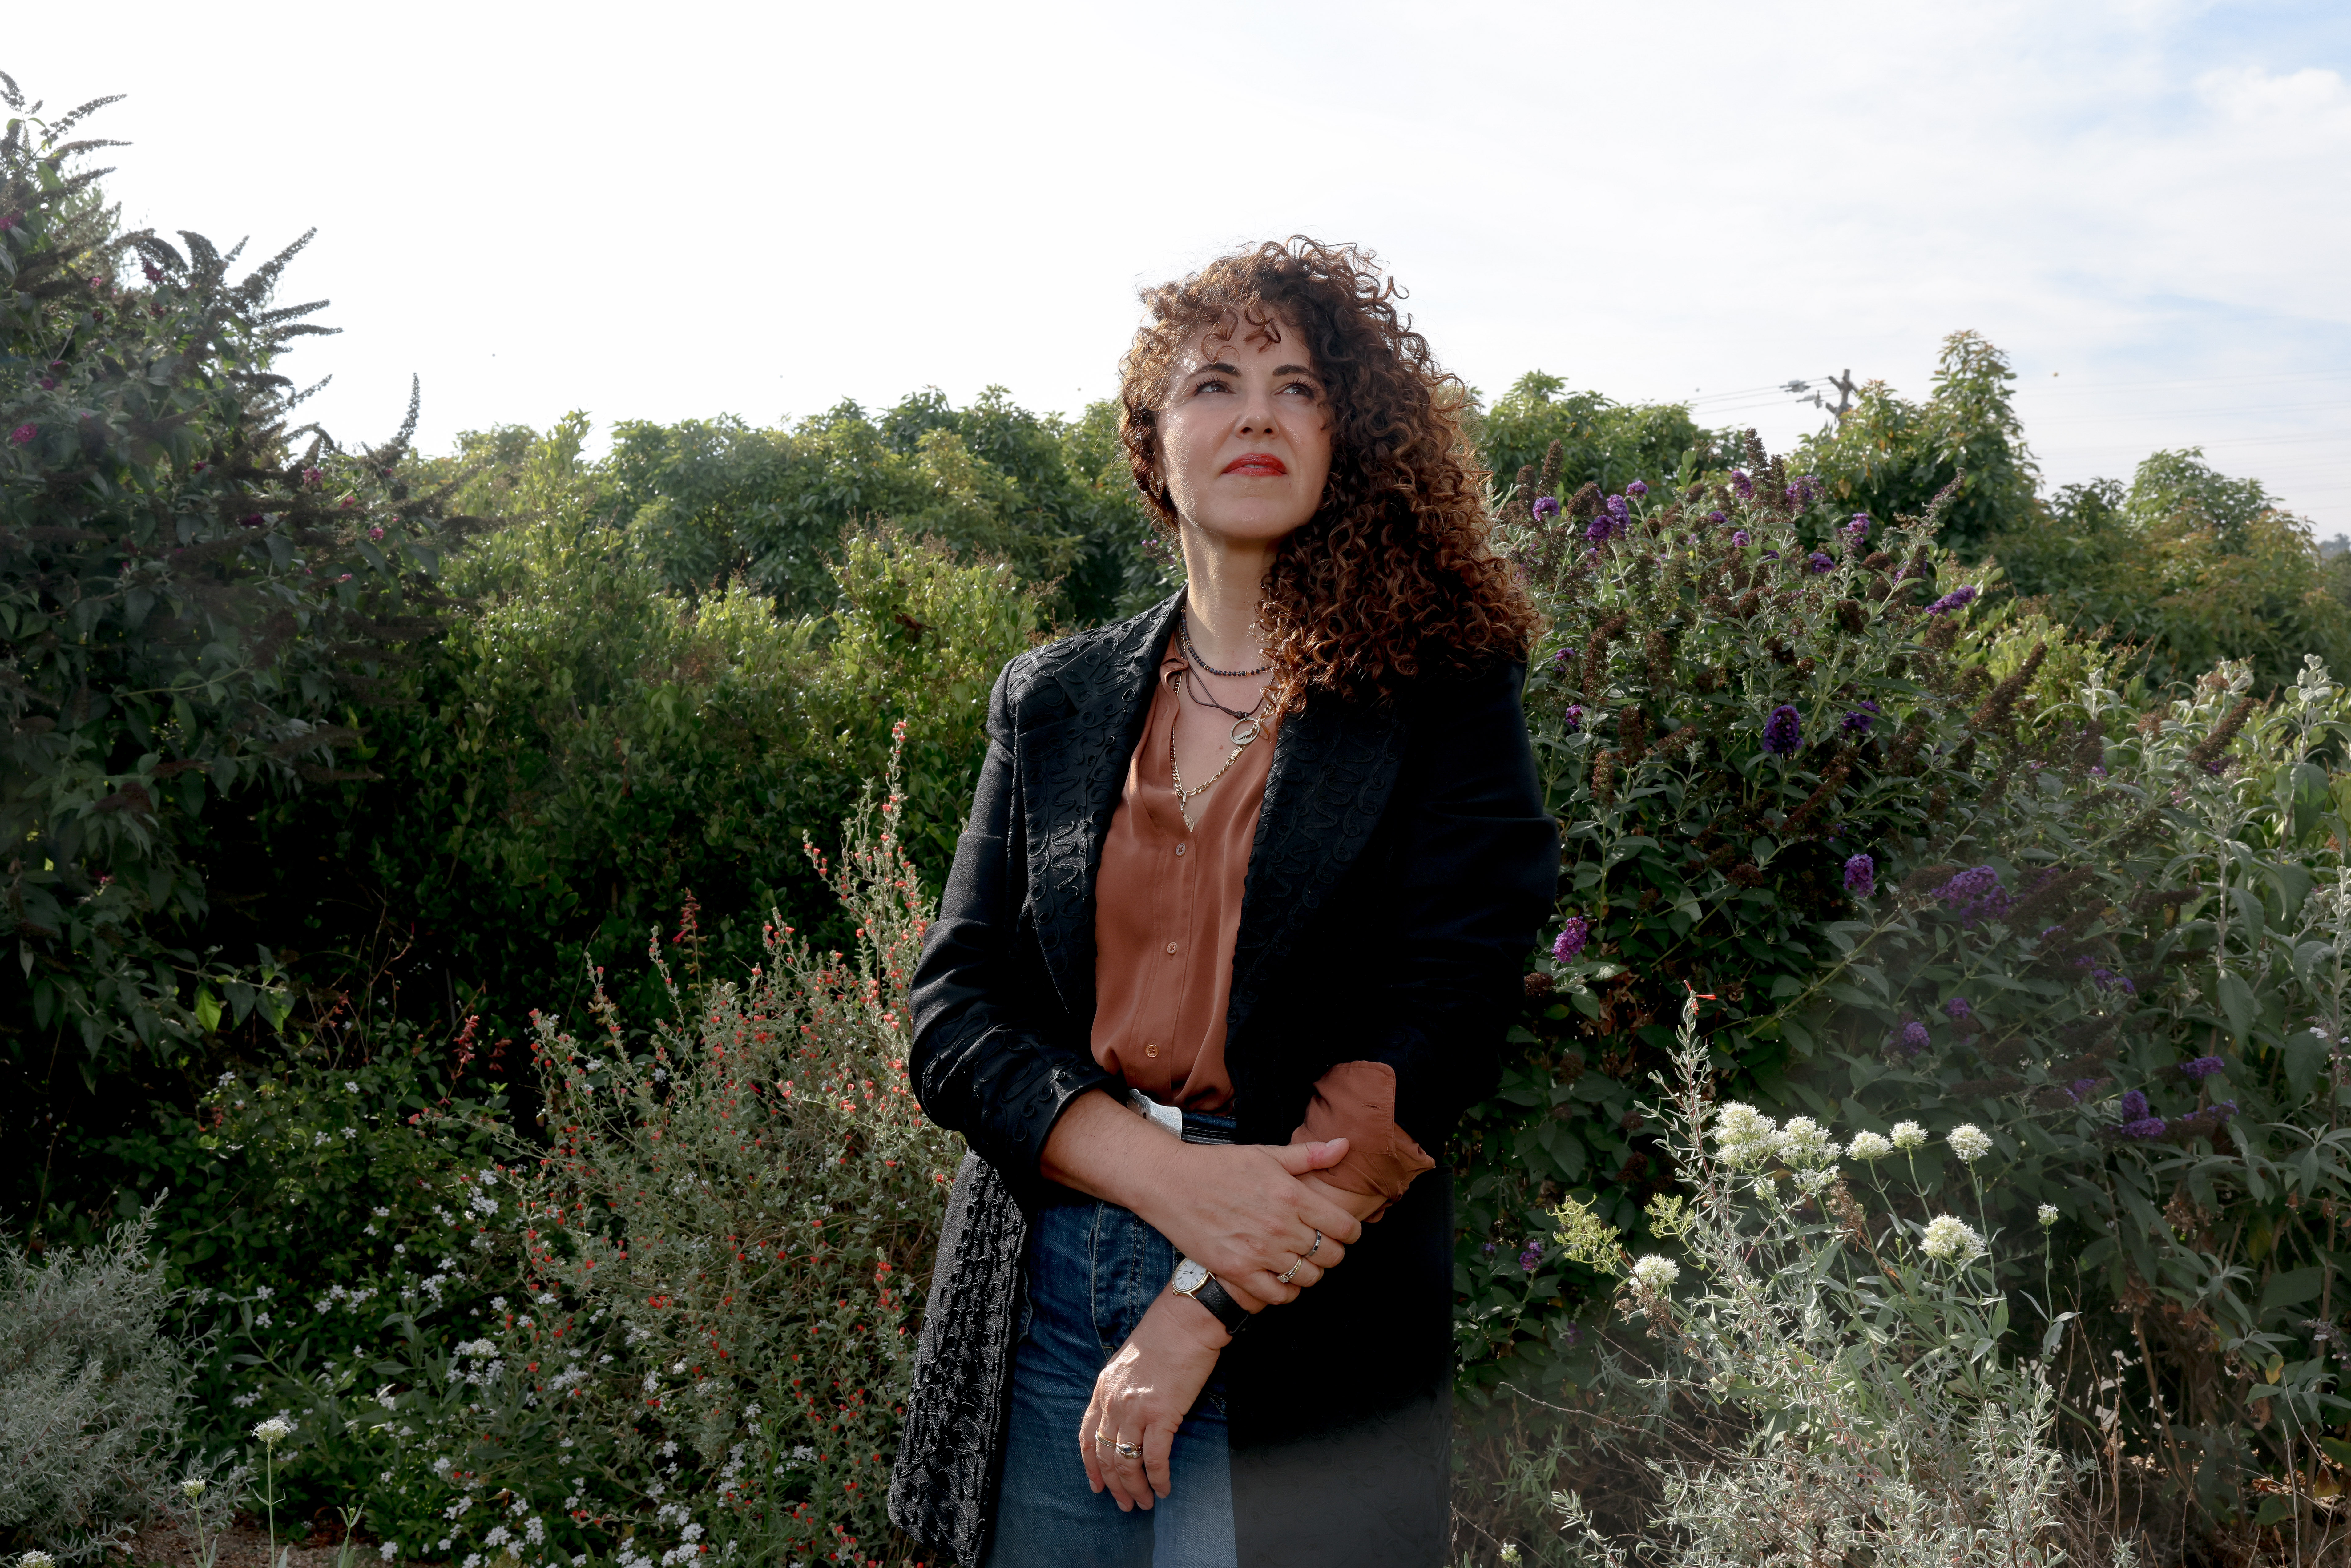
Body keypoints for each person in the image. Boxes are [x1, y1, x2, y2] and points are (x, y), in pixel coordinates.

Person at [887, 239, 1556, 1567]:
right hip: (1047, 1277)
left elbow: (1445, 1019)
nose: (1255, 410)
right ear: (1153, 443)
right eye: (1213, 382)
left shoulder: (1443, 691)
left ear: (1345, 436)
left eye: (1296, 385)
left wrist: (1203, 1298)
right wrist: (1162, 1179)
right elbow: (953, 1010)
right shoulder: (1054, 696)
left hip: (1298, 1303)